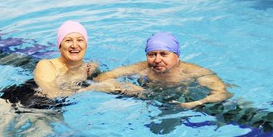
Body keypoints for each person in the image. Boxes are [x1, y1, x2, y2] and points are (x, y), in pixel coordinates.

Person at [95, 32, 232, 109]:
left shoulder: (193, 72)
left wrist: (196, 103)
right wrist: (128, 88)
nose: (157, 59)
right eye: (152, 54)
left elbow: (223, 93)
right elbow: (101, 78)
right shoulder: (142, 68)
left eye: (164, 54)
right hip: (152, 95)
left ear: (176, 57)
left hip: (187, 95)